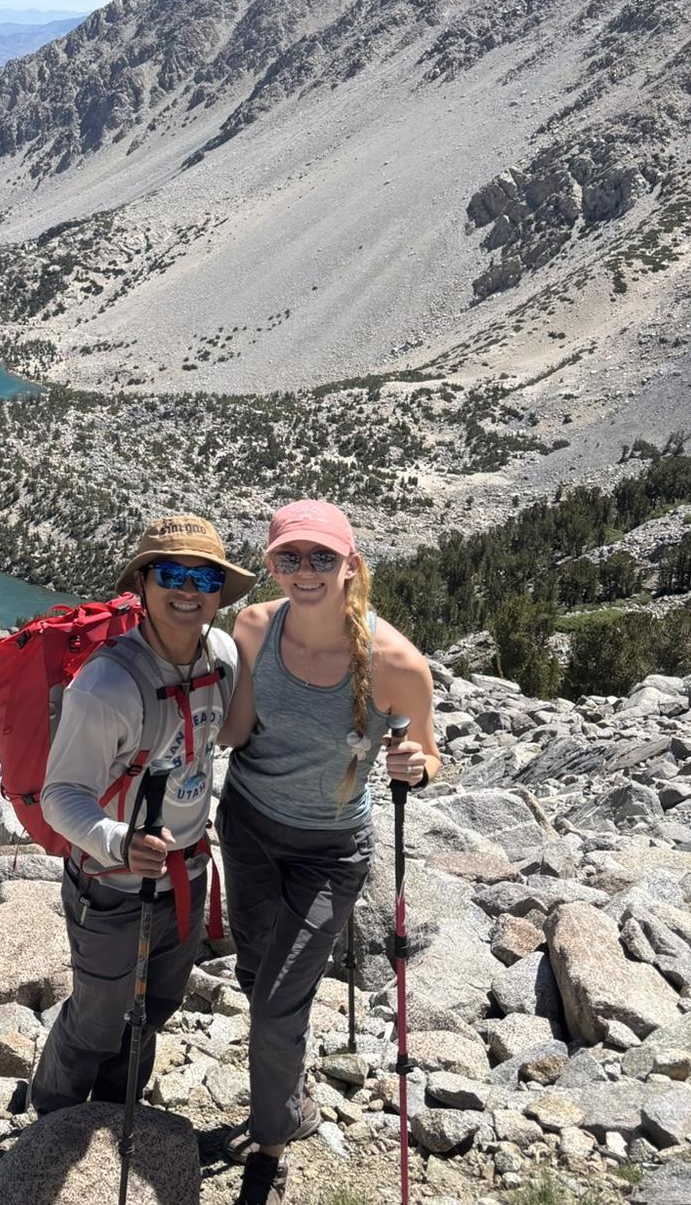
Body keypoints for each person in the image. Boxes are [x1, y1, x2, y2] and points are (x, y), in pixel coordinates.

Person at [217, 500, 440, 1205]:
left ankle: (275, 1136)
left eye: (320, 557)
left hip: (331, 849)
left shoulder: (395, 664)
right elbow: (239, 730)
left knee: (276, 1000)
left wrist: (415, 766)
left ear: (351, 566)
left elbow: (427, 753)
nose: (304, 571)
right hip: (248, 824)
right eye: (289, 557)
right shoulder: (252, 626)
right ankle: (292, 1083)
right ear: (270, 564)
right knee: (259, 974)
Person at [29, 514, 257, 1116]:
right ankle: (50, 1118)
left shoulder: (224, 655)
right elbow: (61, 794)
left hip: (185, 870)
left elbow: (228, 738)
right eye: (171, 574)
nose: (188, 590)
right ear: (144, 584)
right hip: (111, 882)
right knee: (99, 1019)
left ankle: (115, 1109)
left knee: (155, 1006)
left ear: (219, 590)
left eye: (203, 577)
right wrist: (117, 840)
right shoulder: (105, 685)